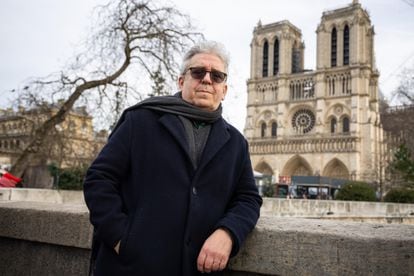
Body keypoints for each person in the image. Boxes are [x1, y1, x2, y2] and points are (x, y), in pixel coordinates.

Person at [83, 41, 262, 276]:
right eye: (198, 72)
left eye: (217, 76)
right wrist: (121, 239)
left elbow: (248, 198)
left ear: (224, 90)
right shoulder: (141, 120)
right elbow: (99, 179)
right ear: (181, 81)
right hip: (132, 267)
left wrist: (228, 233)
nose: (207, 80)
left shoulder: (236, 142)